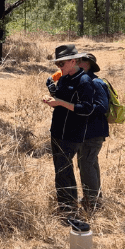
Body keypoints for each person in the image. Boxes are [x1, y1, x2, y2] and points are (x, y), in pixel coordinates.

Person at [41, 44, 94, 216]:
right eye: (57, 65)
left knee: (65, 170)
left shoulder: (84, 81)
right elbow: (61, 102)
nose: (58, 68)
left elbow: (86, 109)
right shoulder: (63, 79)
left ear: (73, 61)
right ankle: (63, 206)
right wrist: (52, 100)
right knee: (59, 169)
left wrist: (60, 103)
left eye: (61, 64)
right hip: (56, 131)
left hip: (72, 134)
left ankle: (70, 209)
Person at [77, 53, 109, 210]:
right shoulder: (83, 81)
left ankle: (92, 204)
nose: (75, 63)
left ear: (87, 64)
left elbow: (103, 106)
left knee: (87, 165)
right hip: (85, 132)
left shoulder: (95, 82)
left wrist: (85, 108)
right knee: (89, 164)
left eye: (79, 60)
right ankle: (95, 200)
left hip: (93, 132)